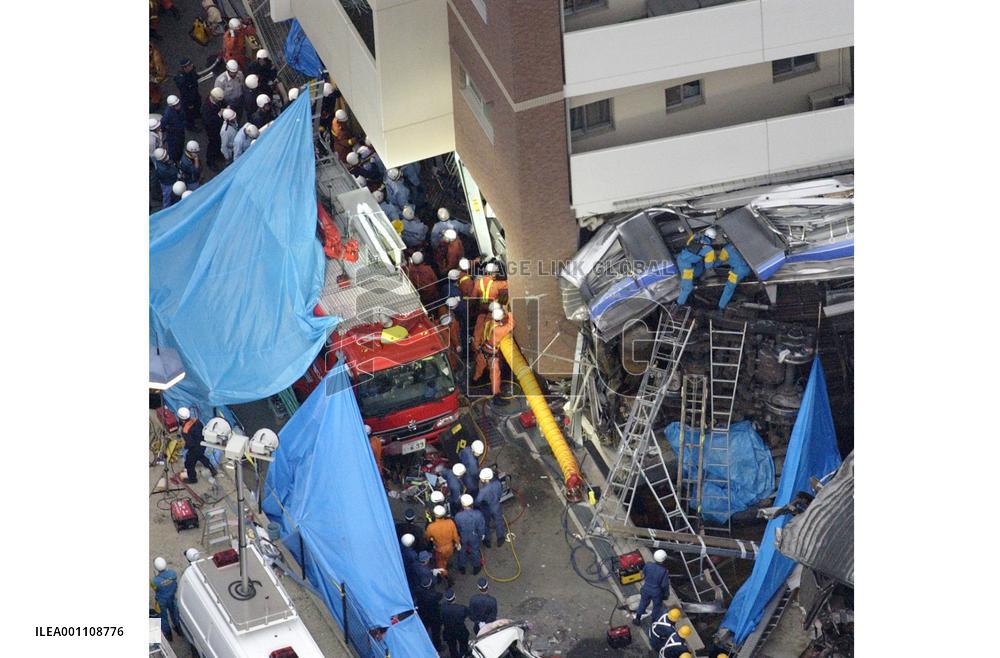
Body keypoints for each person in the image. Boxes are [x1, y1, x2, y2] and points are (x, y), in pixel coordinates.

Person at [472, 307, 515, 397]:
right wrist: (509, 313)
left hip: (483, 351)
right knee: (495, 375)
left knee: (479, 368)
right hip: (492, 355)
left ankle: (474, 381)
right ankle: (496, 394)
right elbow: (511, 325)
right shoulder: (498, 330)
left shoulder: (489, 323)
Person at [675, 227, 717, 305]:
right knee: (688, 288)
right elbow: (708, 266)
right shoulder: (710, 250)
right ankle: (678, 305)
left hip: (680, 257)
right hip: (686, 266)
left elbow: (688, 244)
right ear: (712, 239)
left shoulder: (696, 236)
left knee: (698, 265)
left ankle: (691, 280)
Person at [177, 407, 218, 484]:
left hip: (194, 448)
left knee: (189, 463)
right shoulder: (196, 421)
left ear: (181, 419)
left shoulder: (185, 430)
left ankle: (192, 479)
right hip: (202, 444)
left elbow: (190, 443)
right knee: (201, 456)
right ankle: (212, 468)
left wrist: (185, 447)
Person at [634, 549, 671, 626]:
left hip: (646, 588)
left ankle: (637, 619)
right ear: (664, 559)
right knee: (657, 606)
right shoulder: (664, 571)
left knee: (643, 603)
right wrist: (666, 594)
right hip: (656, 592)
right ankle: (653, 621)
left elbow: (642, 574)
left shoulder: (648, 565)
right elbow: (664, 585)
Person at [425, 505, 461, 582]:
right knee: (446, 558)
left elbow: (427, 537)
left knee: (440, 565)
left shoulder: (431, 527)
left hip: (440, 549)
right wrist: (458, 543)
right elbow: (455, 535)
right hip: (450, 547)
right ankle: (446, 564)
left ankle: (447, 578)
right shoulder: (450, 522)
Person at [475, 467, 507, 548]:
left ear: (485, 479)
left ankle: (487, 540)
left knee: (486, 523)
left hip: (486, 507)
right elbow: (500, 493)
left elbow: (478, 501)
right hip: (496, 505)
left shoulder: (483, 491)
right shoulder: (497, 483)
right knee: (498, 521)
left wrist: (477, 506)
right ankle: (500, 537)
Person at [714, 241, 752, 310]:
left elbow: (719, 262)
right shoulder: (741, 243)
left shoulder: (726, 249)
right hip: (749, 269)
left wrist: (713, 265)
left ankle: (720, 307)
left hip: (738, 272)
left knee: (728, 288)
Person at [454, 493, 485, 575]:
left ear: (462, 504)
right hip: (474, 535)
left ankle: (462, 567)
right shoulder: (478, 514)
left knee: (462, 550)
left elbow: (457, 527)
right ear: (472, 503)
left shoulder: (458, 516)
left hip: (463, 536)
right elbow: (481, 526)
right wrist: (482, 534)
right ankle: (476, 566)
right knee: (475, 550)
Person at [152, 557, 180, 642]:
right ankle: (178, 629)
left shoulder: (154, 581)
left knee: (163, 618)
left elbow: (155, 589)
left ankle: (168, 636)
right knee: (174, 614)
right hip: (172, 597)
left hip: (162, 601)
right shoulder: (173, 574)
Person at [441, 589, 471, 658]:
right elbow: (467, 617)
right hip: (460, 630)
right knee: (463, 644)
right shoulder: (462, 608)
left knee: (452, 646)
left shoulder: (442, 607)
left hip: (448, 630)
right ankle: (464, 654)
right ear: (455, 597)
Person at [415, 577, 443, 650]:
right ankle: (437, 646)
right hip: (433, 615)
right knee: (435, 632)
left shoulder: (419, 591)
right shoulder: (433, 596)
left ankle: (422, 642)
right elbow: (440, 595)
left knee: (424, 629)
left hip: (423, 614)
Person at [201, 87, 226, 168]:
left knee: (219, 142)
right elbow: (208, 121)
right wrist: (219, 115)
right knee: (213, 144)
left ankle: (218, 153)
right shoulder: (206, 108)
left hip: (219, 126)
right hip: (212, 129)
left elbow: (223, 103)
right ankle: (210, 160)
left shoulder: (217, 100)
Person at [173, 58, 200, 129]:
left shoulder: (191, 70)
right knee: (189, 113)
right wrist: (189, 104)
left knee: (197, 104)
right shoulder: (182, 80)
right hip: (188, 99)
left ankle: (197, 115)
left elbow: (194, 76)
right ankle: (191, 126)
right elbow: (185, 93)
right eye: (189, 65)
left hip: (195, 93)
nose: (192, 66)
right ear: (185, 68)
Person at [161, 95, 187, 162]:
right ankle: (175, 160)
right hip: (173, 135)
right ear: (171, 106)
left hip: (180, 132)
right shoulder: (168, 114)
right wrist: (169, 130)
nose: (178, 105)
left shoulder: (179, 109)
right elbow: (162, 124)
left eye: (178, 104)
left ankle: (179, 157)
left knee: (181, 146)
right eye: (176, 105)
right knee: (174, 149)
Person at [439, 301, 463, 369]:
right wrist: (457, 345)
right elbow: (454, 336)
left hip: (443, 348)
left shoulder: (437, 325)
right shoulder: (449, 329)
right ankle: (453, 368)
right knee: (452, 360)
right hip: (448, 348)